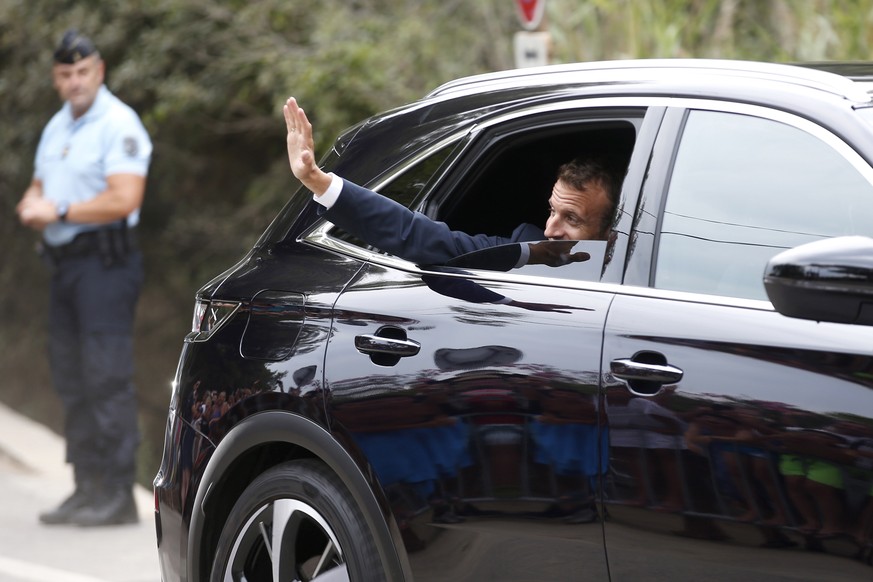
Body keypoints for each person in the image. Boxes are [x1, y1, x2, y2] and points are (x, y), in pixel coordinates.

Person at [15, 29, 152, 527]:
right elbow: (39, 185)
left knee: (106, 378)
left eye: (82, 72)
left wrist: (61, 209)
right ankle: (85, 485)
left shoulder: (119, 124)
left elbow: (125, 198)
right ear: (56, 79)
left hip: (106, 267)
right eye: (66, 74)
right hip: (65, 268)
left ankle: (117, 494)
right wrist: (32, 203)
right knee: (71, 378)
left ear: (100, 70)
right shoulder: (57, 128)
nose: (75, 81)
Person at [283, 97, 619, 265]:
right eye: (552, 211)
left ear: (611, 234)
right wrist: (317, 180)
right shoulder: (528, 248)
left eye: (571, 218)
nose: (551, 229)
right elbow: (420, 235)